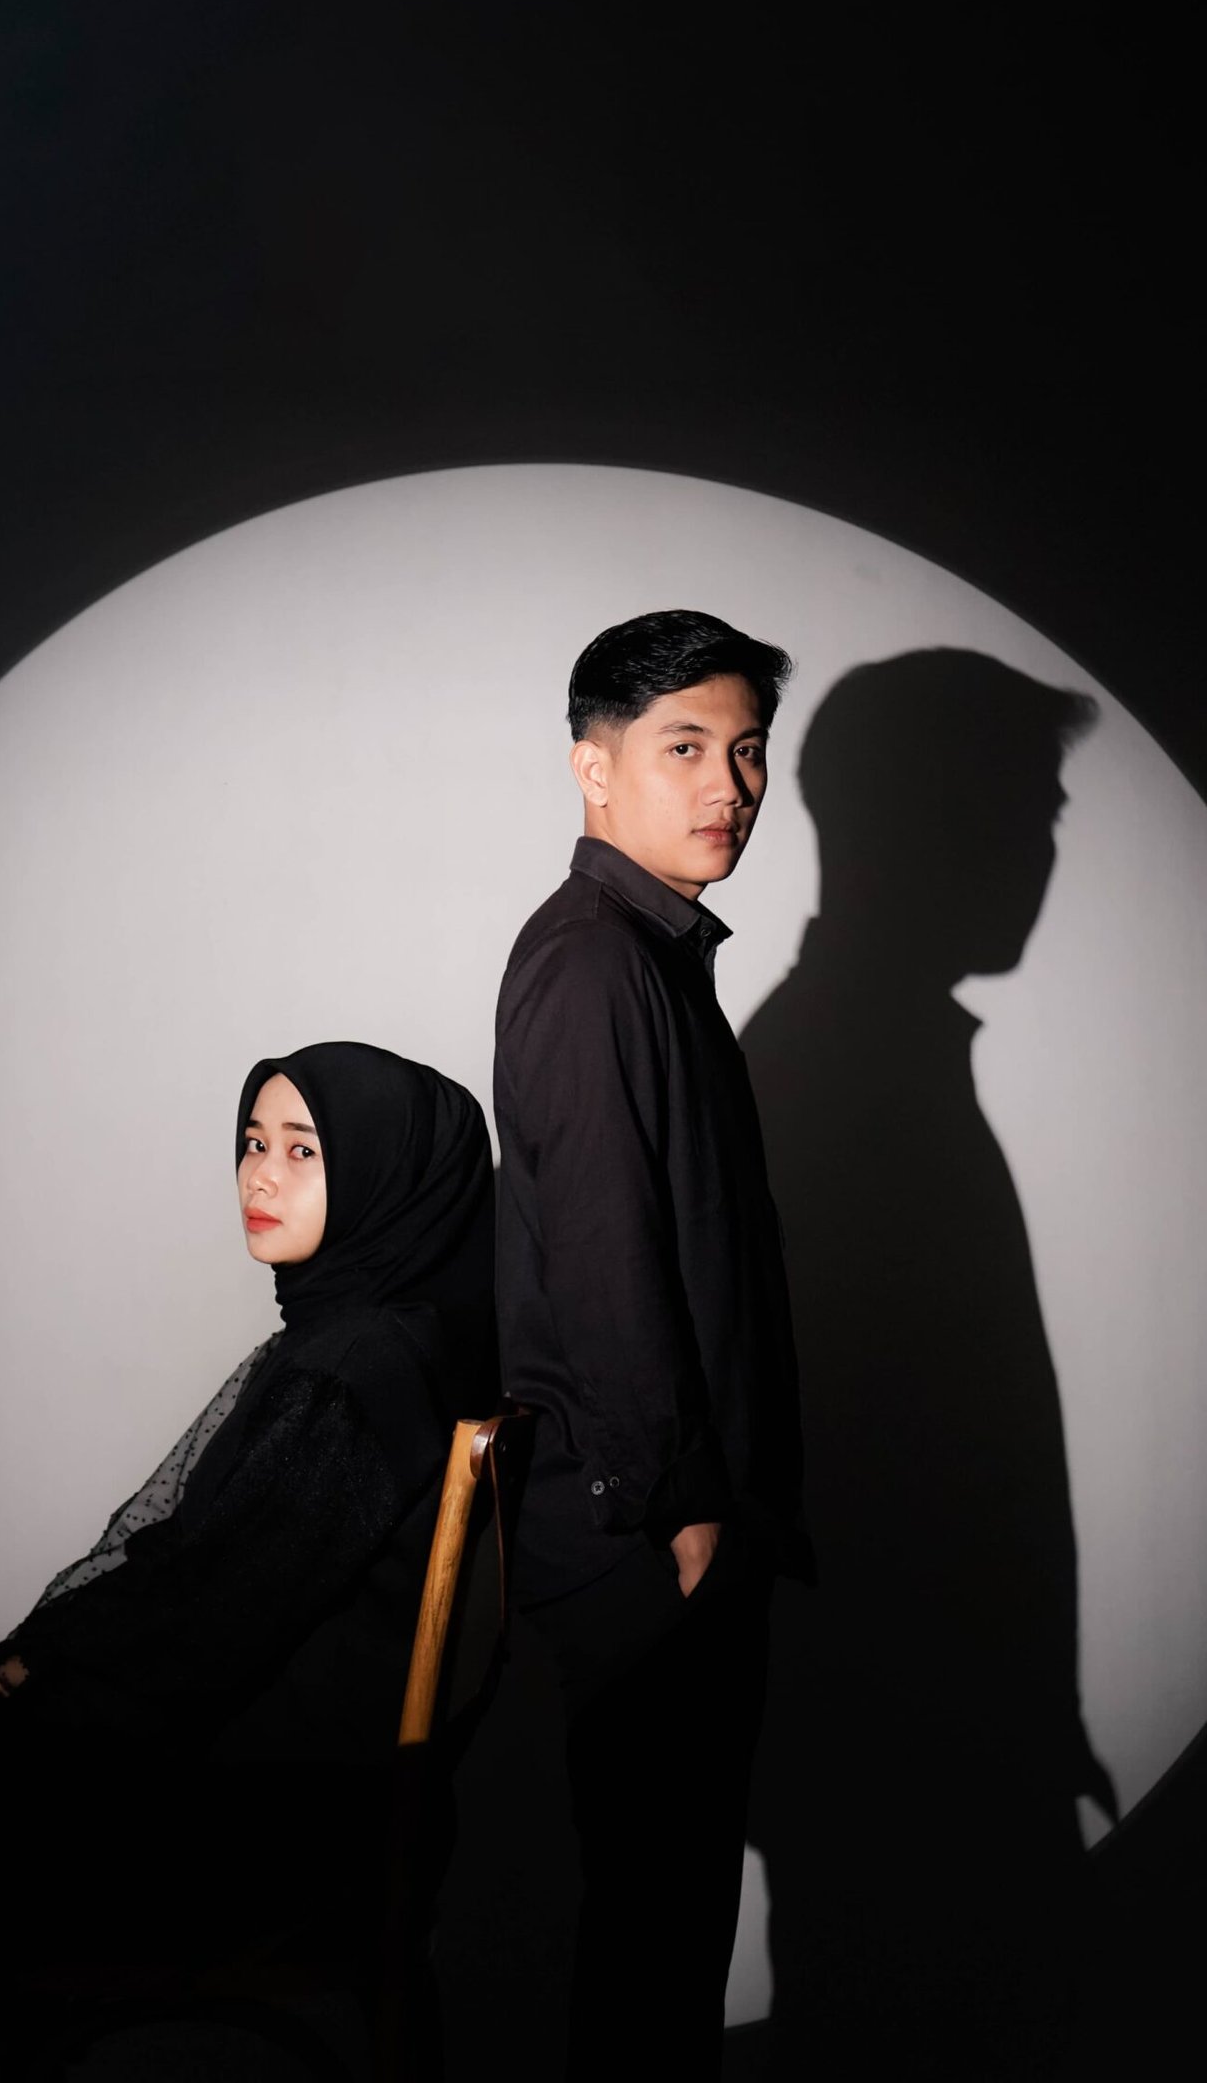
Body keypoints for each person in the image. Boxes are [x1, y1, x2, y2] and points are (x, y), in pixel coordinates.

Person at [0, 1041, 495, 2074]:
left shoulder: (358, 1364)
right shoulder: (375, 1334)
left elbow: (220, 1611)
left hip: (275, 1825)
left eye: (303, 1150)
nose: (259, 1176)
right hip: (301, 1788)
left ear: (384, 1173)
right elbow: (208, 1570)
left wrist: (27, 1677)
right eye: (252, 1142)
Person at [742, 651, 1116, 2076]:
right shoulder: (838, 1083)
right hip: (913, 1776)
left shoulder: (835, 1063)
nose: (1042, 851)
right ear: (927, 819)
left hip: (923, 1764)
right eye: (1025, 808)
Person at [493, 608, 810, 2081]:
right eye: (685, 746)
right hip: (643, 1540)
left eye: (748, 750)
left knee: (667, 1934)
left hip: (672, 1524)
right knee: (650, 1940)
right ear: (592, 765)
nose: (729, 786)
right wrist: (682, 1508)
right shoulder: (594, 965)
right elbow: (604, 1255)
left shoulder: (649, 955)